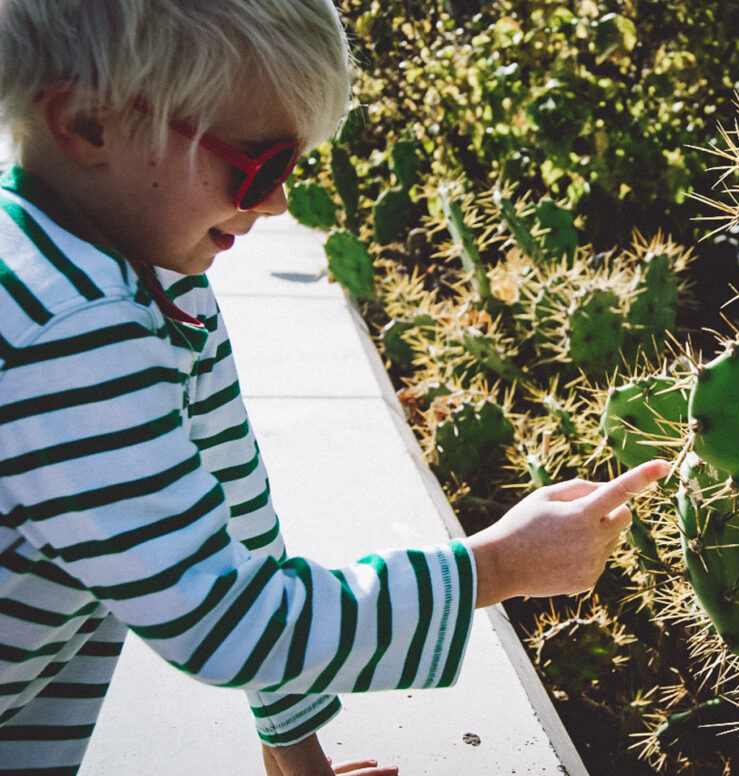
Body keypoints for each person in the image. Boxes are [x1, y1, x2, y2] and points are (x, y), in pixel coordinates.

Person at [0, 1, 670, 774]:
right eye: (258, 163)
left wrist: (294, 753)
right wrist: (499, 567)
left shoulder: (154, 280)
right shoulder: (73, 333)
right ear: (89, 125)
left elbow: (241, 520)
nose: (278, 201)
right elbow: (227, 620)